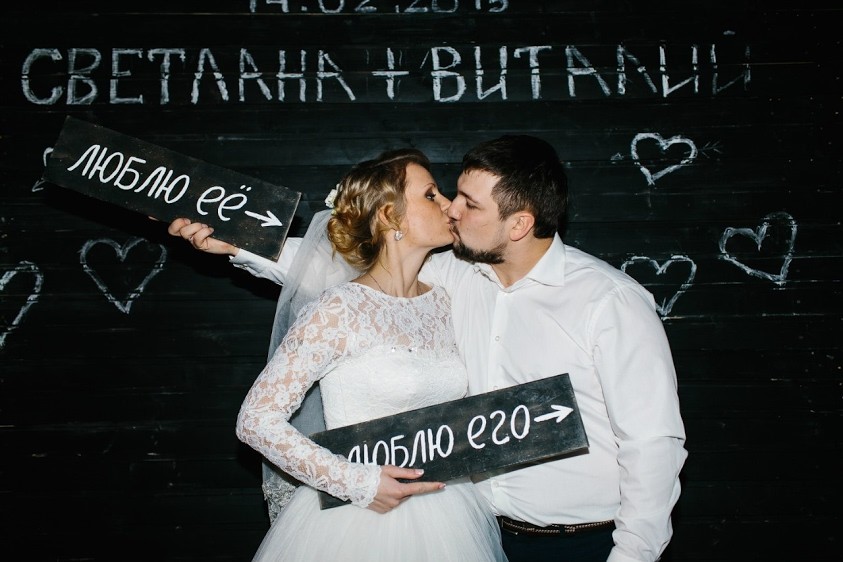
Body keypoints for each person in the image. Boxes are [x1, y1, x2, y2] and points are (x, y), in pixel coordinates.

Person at [170, 135, 687, 562]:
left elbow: (653, 442)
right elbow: (334, 270)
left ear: (519, 223)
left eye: (469, 204)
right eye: (446, 195)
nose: (453, 210)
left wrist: (632, 555)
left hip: (585, 543)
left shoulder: (608, 301)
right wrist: (238, 243)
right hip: (481, 529)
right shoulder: (457, 277)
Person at [230, 148, 506, 561]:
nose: (449, 205)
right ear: (390, 216)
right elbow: (255, 420)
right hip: (359, 519)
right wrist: (356, 483)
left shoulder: (444, 301)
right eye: (431, 194)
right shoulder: (339, 308)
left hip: (449, 511)